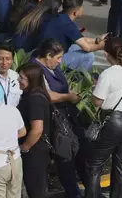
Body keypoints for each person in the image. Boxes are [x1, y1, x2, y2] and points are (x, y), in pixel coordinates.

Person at [87, 37, 122, 198]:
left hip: (113, 123)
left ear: (106, 54)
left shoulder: (107, 74)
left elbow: (97, 102)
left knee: (94, 164)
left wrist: (93, 91)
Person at [33, 39, 89, 198]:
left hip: (68, 116)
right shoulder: (36, 69)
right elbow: (48, 95)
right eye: (58, 58)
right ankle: (74, 194)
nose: (60, 61)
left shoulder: (53, 67)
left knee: (81, 153)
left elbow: (63, 86)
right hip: (55, 121)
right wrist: (68, 97)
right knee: (65, 159)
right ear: (48, 55)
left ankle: (91, 190)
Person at [37, 0, 107, 71]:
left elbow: (79, 39)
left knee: (76, 47)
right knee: (89, 56)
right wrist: (101, 46)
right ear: (75, 12)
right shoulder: (68, 24)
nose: (83, 9)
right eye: (81, 7)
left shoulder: (60, 16)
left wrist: (97, 40)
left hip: (46, 52)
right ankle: (78, 79)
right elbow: (87, 47)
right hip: (51, 59)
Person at [17, 63, 51, 198]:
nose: (18, 80)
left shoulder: (34, 99)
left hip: (34, 152)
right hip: (37, 151)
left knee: (35, 190)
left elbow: (37, 130)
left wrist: (24, 147)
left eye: (22, 78)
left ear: (31, 79)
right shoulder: (33, 94)